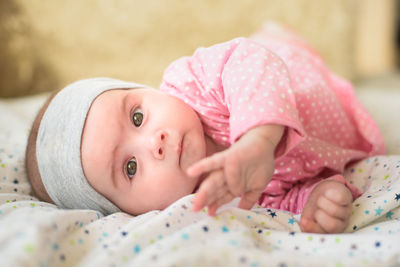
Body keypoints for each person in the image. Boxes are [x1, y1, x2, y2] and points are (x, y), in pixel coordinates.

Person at [25, 23, 385, 234]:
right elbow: (280, 200)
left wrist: (258, 140)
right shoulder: (215, 203)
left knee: (274, 42)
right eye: (130, 168)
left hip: (299, 75)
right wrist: (319, 199)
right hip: (341, 136)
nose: (156, 142)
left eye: (137, 117)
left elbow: (253, 62)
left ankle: (277, 30)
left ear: (145, 89)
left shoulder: (195, 83)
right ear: (129, 212)